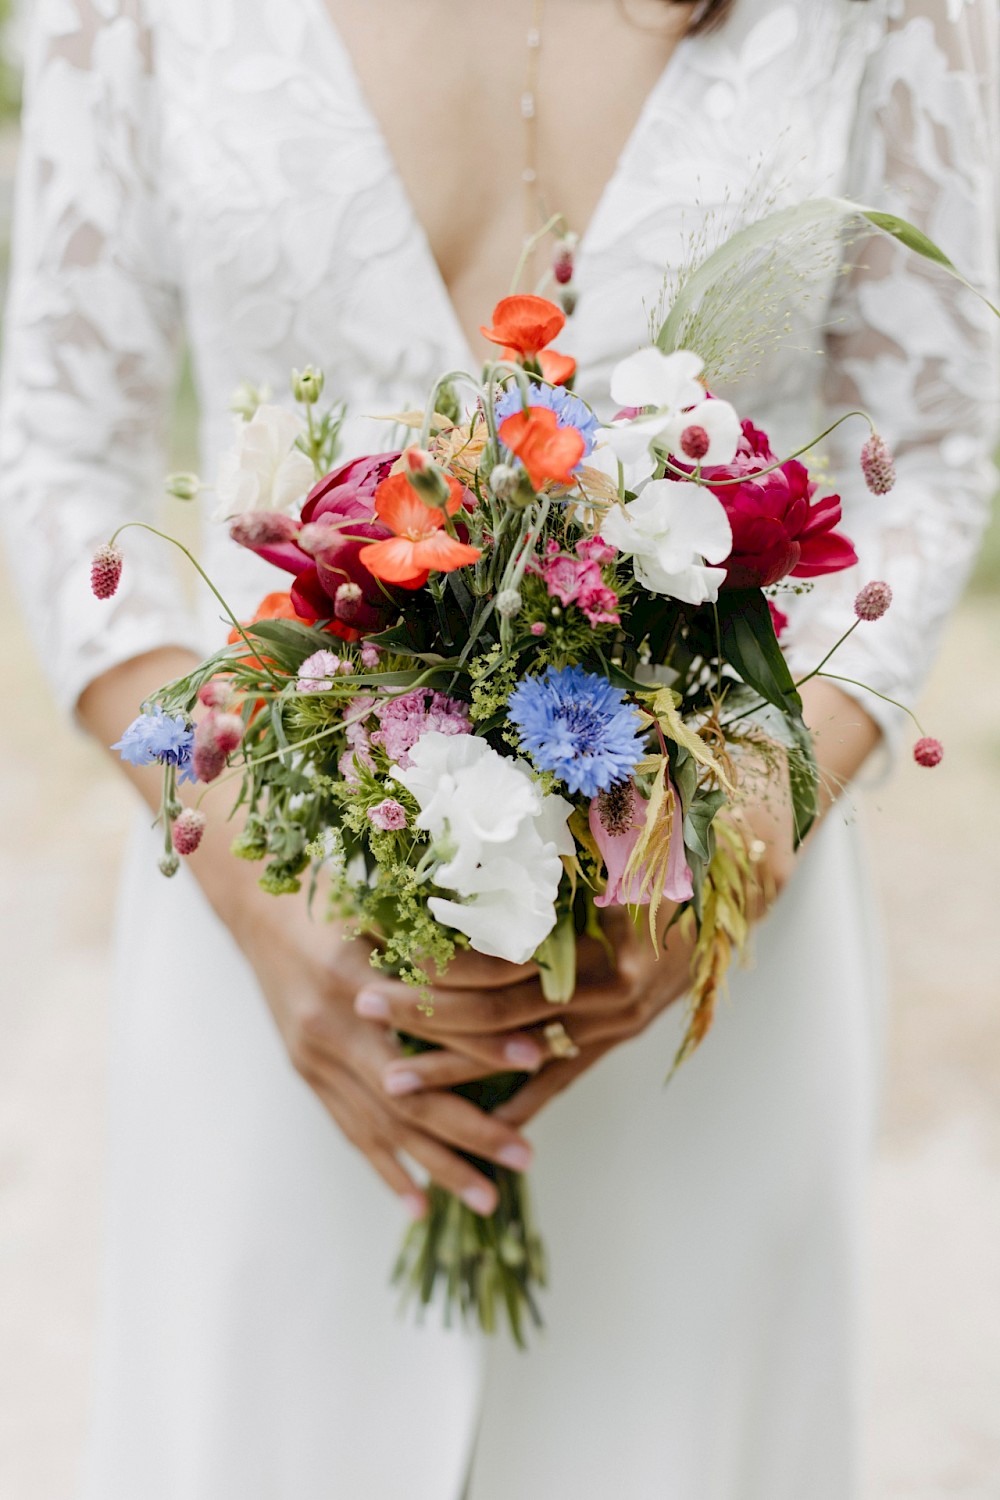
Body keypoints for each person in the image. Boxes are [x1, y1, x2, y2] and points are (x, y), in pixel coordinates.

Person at [1, 0, 997, 1495]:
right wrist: (251, 890)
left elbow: (928, 449)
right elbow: (65, 449)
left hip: (698, 989)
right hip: (284, 957)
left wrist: (747, 829)